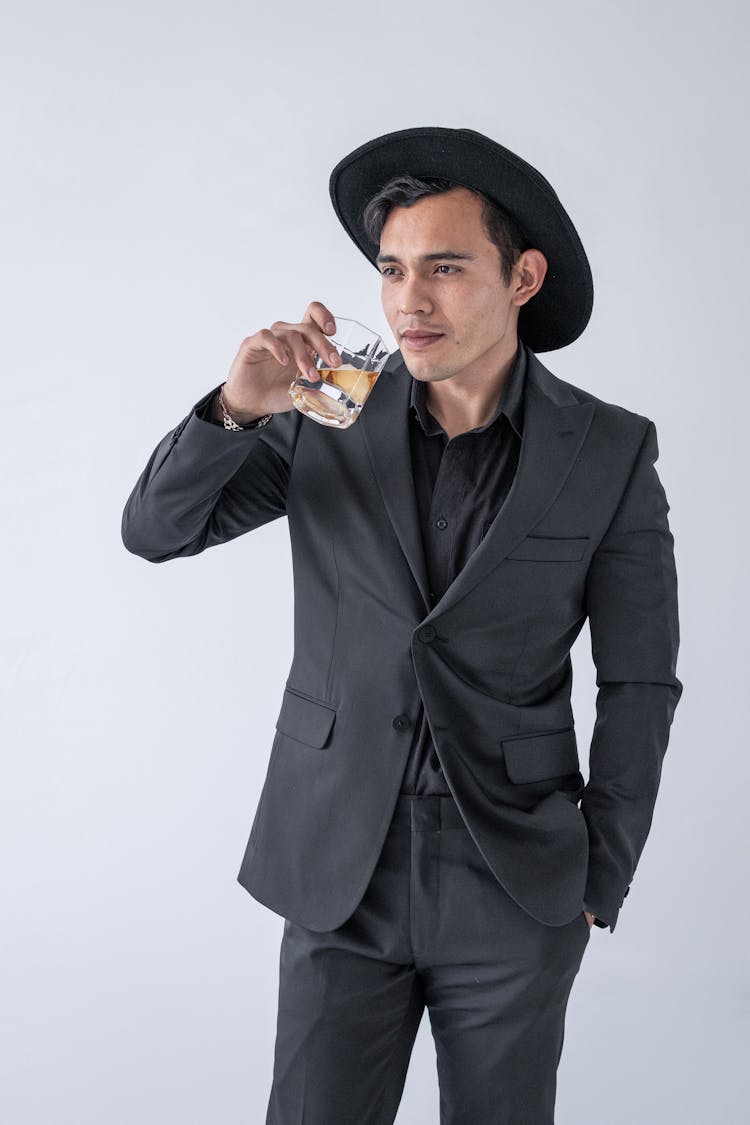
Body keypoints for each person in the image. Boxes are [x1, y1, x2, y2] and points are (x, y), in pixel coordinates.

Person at [122, 126, 682, 1124]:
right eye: (390, 269)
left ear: (523, 277)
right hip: (339, 861)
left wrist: (605, 871)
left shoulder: (608, 450)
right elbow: (156, 532)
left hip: (514, 882)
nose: (408, 300)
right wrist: (236, 410)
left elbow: (638, 680)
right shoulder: (328, 403)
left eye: (446, 267)